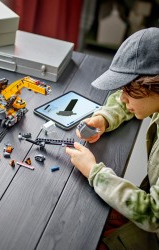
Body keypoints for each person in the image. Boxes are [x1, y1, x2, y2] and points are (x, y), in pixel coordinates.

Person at [66, 27, 159, 249]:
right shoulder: (151, 95)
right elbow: (131, 98)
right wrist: (105, 117)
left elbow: (152, 214)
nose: (122, 97)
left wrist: (94, 172)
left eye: (128, 90)